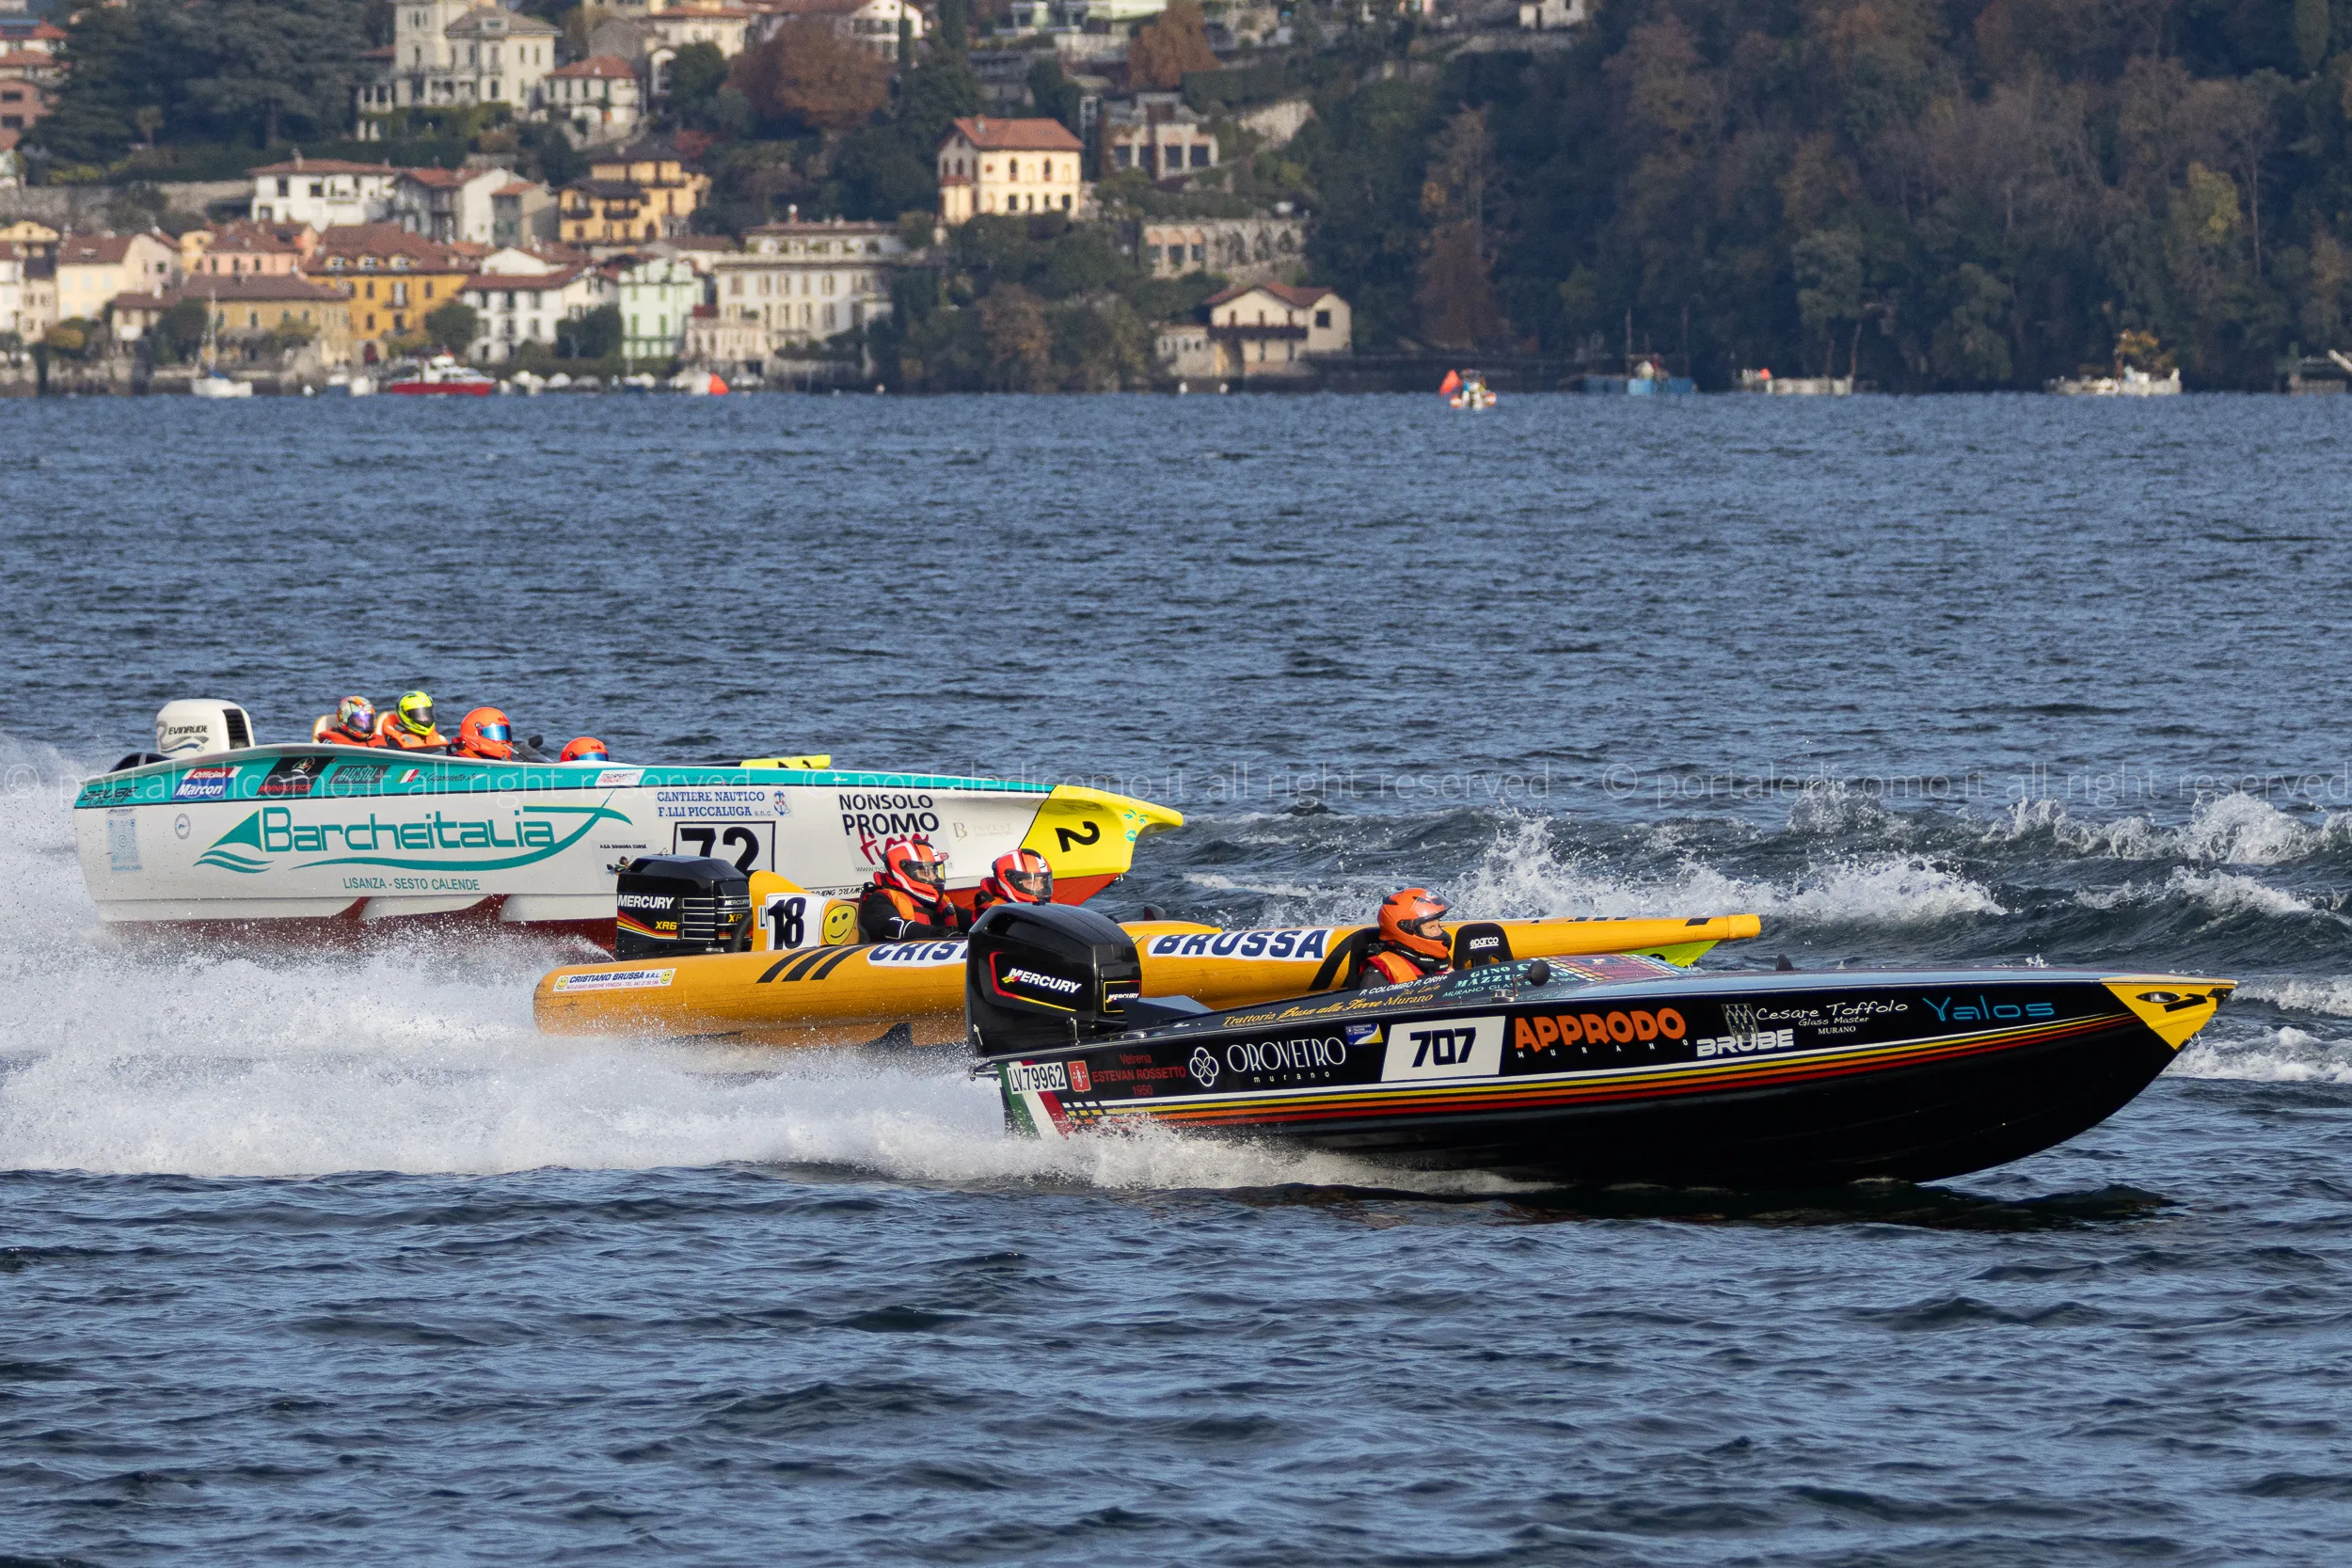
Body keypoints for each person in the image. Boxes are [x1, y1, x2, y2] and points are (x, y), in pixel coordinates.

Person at [857, 835, 963, 943]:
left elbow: (975, 924)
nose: (933, 877)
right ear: (903, 871)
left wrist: (981, 908)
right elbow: (889, 926)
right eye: (925, 872)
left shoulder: (943, 904)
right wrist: (939, 934)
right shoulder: (880, 899)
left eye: (934, 871)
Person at [1357, 887, 1453, 988]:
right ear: (1406, 930)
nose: (1439, 932)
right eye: (1431, 927)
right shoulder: (1379, 973)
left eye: (1438, 925)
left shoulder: (1440, 962)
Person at [973, 847, 1053, 914]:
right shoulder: (996, 914)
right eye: (1031, 882)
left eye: (1043, 881)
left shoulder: (1052, 905)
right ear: (1009, 881)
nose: (1041, 887)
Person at [374, 689, 447, 752]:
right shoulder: (396, 742)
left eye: (427, 713)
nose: (425, 718)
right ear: (407, 715)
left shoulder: (439, 738)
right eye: (420, 714)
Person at [312, 696, 381, 748]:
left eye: (368, 720)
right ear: (346, 720)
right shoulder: (332, 743)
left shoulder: (380, 740)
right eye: (361, 720)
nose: (366, 723)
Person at [452, 706, 516, 761]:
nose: (504, 741)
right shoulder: (458, 761)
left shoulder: (506, 761)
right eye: (490, 733)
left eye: (504, 733)